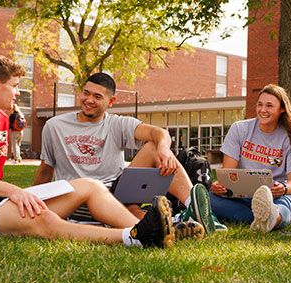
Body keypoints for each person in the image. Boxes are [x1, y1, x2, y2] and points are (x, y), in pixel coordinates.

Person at [0, 55, 202, 248]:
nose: (17, 93)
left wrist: (21, 193)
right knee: (43, 220)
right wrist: (15, 191)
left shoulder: (2, 120)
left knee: (90, 185)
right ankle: (133, 237)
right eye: (15, 86)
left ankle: (149, 228)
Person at [34, 72, 222, 234]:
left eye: (97, 97)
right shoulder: (54, 126)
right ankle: (171, 225)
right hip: (78, 196)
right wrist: (32, 202)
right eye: (86, 93)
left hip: (117, 191)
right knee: (135, 214)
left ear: (111, 101)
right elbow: (45, 170)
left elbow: (159, 133)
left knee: (155, 146)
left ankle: (197, 210)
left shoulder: (117, 123)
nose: (89, 100)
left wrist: (164, 150)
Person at [209, 84, 291, 233]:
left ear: (282, 109)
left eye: (269, 106)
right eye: (260, 104)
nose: (263, 110)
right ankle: (278, 220)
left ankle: (274, 216)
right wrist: (220, 186)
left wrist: (283, 189)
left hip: (278, 197)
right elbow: (228, 172)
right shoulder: (239, 129)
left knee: (289, 202)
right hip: (242, 197)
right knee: (210, 200)